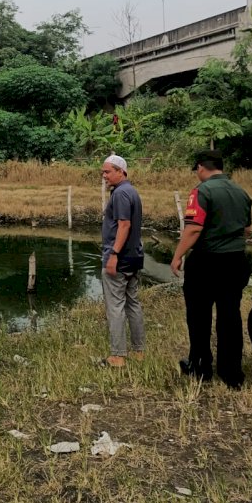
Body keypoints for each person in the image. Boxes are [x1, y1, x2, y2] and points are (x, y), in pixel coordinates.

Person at [170, 150, 252, 389]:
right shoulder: (241, 192)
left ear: (200, 167)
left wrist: (177, 256)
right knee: (230, 316)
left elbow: (194, 229)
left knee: (199, 317)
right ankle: (232, 373)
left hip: (207, 261)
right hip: (236, 261)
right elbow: (247, 230)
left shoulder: (201, 191)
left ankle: (201, 367)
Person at [101, 154, 145, 367]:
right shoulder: (132, 191)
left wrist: (113, 255)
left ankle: (118, 356)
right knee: (132, 303)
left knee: (115, 306)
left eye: (108, 171)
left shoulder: (120, 194)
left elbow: (124, 225)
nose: (104, 175)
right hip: (134, 257)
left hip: (120, 258)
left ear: (121, 171)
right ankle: (138, 351)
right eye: (103, 172)